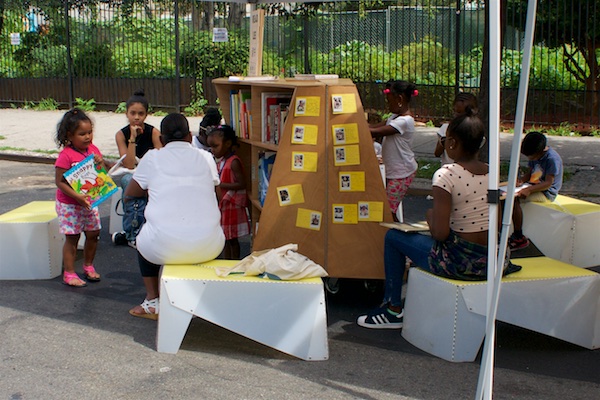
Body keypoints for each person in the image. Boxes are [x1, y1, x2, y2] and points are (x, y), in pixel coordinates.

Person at [357, 108, 520, 329]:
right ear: (481, 143)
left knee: (393, 237)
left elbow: (440, 233)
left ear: (450, 143)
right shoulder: (492, 172)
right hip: (493, 261)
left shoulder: (446, 174)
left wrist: (431, 216)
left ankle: (392, 308)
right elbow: (495, 217)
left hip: (460, 263)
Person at [125, 113, 225, 319]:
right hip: (209, 247)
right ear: (190, 136)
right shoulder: (206, 157)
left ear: (161, 139)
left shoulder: (152, 157)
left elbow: (131, 193)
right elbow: (217, 192)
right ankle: (205, 297)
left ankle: (153, 301)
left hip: (161, 247)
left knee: (144, 234)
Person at [54, 108, 114, 287]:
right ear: (70, 135)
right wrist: (77, 197)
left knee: (94, 233)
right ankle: (69, 272)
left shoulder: (93, 150)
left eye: (90, 132)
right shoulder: (66, 156)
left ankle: (88, 266)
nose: (87, 137)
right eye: (82, 134)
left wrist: (102, 163)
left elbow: (101, 172)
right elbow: (60, 182)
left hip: (89, 201)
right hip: (70, 204)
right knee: (72, 237)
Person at [112, 89, 162, 248]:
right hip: (132, 175)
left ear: (146, 115)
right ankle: (134, 233)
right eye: (132, 113)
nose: (136, 117)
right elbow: (128, 164)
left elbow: (160, 159)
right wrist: (132, 139)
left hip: (152, 174)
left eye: (141, 113)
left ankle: (133, 232)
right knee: (129, 181)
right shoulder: (121, 134)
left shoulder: (153, 132)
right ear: (126, 113)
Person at [369, 80, 418, 221]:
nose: (387, 105)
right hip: (395, 170)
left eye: (389, 101)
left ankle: (397, 237)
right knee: (388, 209)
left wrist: (357, 127)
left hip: (402, 172)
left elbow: (376, 132)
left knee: (388, 211)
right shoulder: (393, 117)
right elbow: (373, 126)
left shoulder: (405, 121)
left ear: (400, 99)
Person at [508, 131, 563, 250]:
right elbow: (530, 173)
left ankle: (518, 236)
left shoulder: (552, 159)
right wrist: (521, 181)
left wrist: (529, 189)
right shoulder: (535, 155)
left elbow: (548, 183)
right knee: (505, 197)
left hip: (546, 193)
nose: (530, 159)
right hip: (532, 186)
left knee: (515, 199)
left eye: (531, 157)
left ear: (540, 151)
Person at [206, 125, 250, 259]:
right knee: (225, 238)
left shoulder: (234, 162)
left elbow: (242, 184)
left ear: (228, 144)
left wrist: (220, 184)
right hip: (225, 206)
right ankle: (227, 262)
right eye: (211, 147)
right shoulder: (222, 161)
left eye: (215, 146)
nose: (212, 150)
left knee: (232, 239)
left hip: (232, 206)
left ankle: (234, 262)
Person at [434, 92, 478, 165]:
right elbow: (437, 153)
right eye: (455, 111)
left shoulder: (474, 130)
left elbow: (475, 155)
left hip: (467, 171)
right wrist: (445, 141)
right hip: (448, 171)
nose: (456, 115)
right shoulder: (446, 128)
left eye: (460, 113)